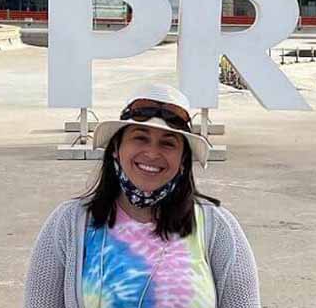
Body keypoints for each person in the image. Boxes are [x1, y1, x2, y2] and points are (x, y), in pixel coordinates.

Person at [24, 83, 261, 308]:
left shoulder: (217, 229)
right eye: (140, 137)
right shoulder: (68, 224)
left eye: (168, 143)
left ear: (182, 161)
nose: (152, 152)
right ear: (116, 149)